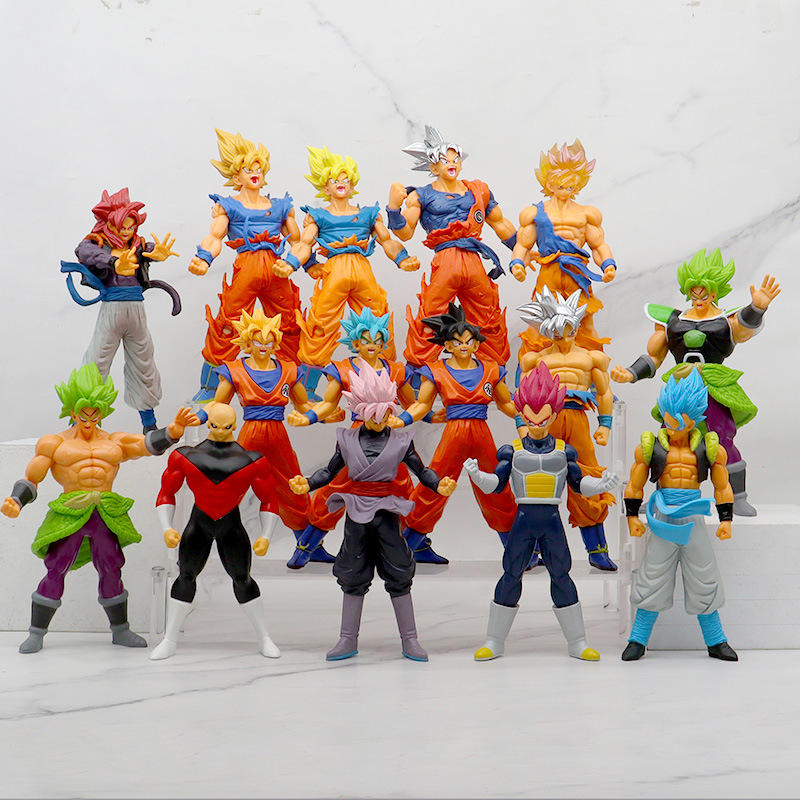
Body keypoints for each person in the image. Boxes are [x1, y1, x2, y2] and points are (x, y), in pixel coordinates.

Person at [1, 363, 197, 653]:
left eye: (95, 414)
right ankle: (36, 633)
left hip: (105, 512)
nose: (89, 420)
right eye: (84, 413)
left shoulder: (114, 441)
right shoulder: (54, 443)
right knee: (56, 568)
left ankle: (120, 630)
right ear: (72, 412)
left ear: (103, 412)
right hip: (70, 512)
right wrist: (16, 500)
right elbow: (32, 478)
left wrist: (173, 430)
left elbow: (145, 445)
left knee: (111, 568)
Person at [289, 364, 456, 661]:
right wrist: (308, 483)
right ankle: (347, 638)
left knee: (399, 571)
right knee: (352, 572)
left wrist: (437, 484)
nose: (378, 421)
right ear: (360, 411)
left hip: (388, 511)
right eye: (372, 414)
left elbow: (421, 470)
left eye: (384, 413)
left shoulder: (401, 440)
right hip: (356, 511)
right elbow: (329, 471)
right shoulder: (347, 439)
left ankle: (410, 639)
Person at [465, 363, 619, 661]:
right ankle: (494, 641)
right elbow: (495, 484)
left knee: (561, 575)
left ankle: (577, 642)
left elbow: (578, 484)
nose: (536, 425)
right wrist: (476, 475)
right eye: (530, 418)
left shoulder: (565, 450)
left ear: (554, 414)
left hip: (551, 520)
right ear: (521, 414)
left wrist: (602, 484)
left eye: (543, 418)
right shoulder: (511, 450)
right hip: (523, 520)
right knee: (511, 575)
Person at [611, 247, 780, 515]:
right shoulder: (672, 321)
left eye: (705, 293)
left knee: (722, 440)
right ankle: (662, 496)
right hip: (680, 388)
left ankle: (737, 497)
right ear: (687, 290)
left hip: (712, 387)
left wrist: (757, 307)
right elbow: (654, 357)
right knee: (668, 440)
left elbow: (743, 329)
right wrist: (631, 373)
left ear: (715, 292)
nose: (699, 298)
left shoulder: (725, 321)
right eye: (694, 292)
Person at [274, 146, 418, 396]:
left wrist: (402, 259)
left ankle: (384, 384)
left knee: (378, 322)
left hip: (363, 271)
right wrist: (291, 263)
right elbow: (305, 244)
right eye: (334, 179)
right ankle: (308, 391)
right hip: (334, 271)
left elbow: (387, 240)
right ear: (325, 187)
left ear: (352, 185)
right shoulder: (318, 216)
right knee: (320, 325)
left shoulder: (368, 214)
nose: (341, 183)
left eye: (346, 179)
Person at [621, 369, 738, 662]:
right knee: (652, 576)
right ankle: (637, 639)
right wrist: (632, 517)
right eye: (670, 417)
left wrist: (726, 519)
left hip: (693, 517)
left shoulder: (709, 446)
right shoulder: (651, 446)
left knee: (704, 577)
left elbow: (722, 484)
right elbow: (635, 484)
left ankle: (716, 640)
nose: (674, 424)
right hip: (663, 518)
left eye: (682, 419)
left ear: (694, 417)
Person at [286, 308, 415, 569]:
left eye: (377, 340)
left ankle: (410, 546)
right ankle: (307, 546)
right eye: (366, 340)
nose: (372, 345)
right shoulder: (344, 369)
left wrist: (422, 417)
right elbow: (328, 403)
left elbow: (412, 404)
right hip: (357, 436)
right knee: (335, 488)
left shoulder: (396, 369)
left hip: (389, 436)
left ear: (384, 342)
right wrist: (309, 417)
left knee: (403, 487)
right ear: (355, 343)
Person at [151, 403, 282, 660]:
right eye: (215, 426)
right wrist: (167, 528)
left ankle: (264, 637)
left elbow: (269, 500)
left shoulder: (253, 460)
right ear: (207, 424)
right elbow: (166, 493)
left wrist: (266, 535)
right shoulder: (185, 456)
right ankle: (169, 639)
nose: (221, 431)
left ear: (234, 426)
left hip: (230, 525)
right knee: (185, 576)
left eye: (226, 427)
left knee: (242, 579)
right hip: (199, 523)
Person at [390, 303, 518, 564]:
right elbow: (422, 405)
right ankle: (407, 547)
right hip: (453, 434)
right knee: (434, 486)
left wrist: (530, 415)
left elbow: (506, 403)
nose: (463, 346)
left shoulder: (492, 370)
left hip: (481, 434)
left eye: (468, 341)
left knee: (496, 487)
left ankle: (517, 548)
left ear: (476, 344)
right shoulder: (436, 370)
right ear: (447, 345)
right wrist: (402, 419)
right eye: (457, 341)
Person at [386, 125, 523, 370]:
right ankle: (419, 377)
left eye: (455, 158)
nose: (451, 163)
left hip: (473, 260)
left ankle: (494, 375)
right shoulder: (421, 195)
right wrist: (393, 208)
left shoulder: (478, 191)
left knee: (488, 316)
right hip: (446, 261)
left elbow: (500, 223)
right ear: (433, 167)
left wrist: (521, 250)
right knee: (431, 317)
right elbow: (405, 232)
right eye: (444, 160)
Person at [188, 129, 304, 401]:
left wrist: (300, 264)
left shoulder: (281, 206)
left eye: (258, 168)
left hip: (277, 270)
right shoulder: (229, 206)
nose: (254, 173)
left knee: (291, 324)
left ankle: (301, 388)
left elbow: (299, 242)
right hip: (246, 270)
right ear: (236, 175)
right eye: (247, 168)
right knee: (227, 325)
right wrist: (203, 258)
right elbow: (215, 236)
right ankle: (210, 390)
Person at [61, 188, 181, 432]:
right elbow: (84, 251)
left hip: (136, 311)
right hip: (112, 310)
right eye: (121, 227)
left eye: (130, 226)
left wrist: (158, 254)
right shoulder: (99, 244)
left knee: (143, 363)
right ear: (109, 225)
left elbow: (151, 249)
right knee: (96, 363)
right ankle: (79, 423)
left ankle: (149, 424)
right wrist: (114, 262)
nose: (126, 231)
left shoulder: (138, 246)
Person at [518, 288, 618, 570]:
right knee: (537, 482)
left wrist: (605, 425)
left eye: (567, 331)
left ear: (575, 327)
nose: (562, 338)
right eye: (556, 333)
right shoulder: (535, 360)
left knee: (587, 476)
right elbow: (521, 396)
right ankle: (533, 550)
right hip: (544, 422)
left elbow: (604, 393)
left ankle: (597, 549)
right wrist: (523, 427)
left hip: (577, 420)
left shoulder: (591, 358)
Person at [510, 140, 617, 355]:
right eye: (560, 184)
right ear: (549, 183)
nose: (566, 189)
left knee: (585, 320)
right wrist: (517, 264)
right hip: (549, 270)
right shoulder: (535, 213)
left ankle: (592, 365)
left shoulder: (587, 213)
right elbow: (523, 243)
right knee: (540, 318)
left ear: (577, 185)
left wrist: (608, 265)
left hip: (576, 271)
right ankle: (532, 366)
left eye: (570, 185)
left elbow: (598, 244)